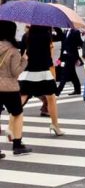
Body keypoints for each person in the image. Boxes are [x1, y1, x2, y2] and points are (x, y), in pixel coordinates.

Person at [18, 25, 65, 136]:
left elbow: (22, 53)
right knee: (51, 98)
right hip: (43, 71)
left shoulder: (26, 36)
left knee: (23, 96)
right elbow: (49, 56)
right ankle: (55, 125)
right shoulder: (46, 36)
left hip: (28, 71)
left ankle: (11, 125)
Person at [0, 20, 31, 156]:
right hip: (9, 88)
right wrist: (24, 60)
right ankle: (17, 145)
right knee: (17, 114)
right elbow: (15, 72)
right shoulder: (13, 51)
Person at [56, 29, 84, 96]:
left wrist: (84, 49)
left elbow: (79, 42)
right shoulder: (65, 31)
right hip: (64, 56)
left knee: (64, 73)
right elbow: (63, 44)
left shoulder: (76, 31)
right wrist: (60, 57)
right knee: (73, 74)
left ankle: (58, 90)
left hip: (72, 56)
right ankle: (78, 90)